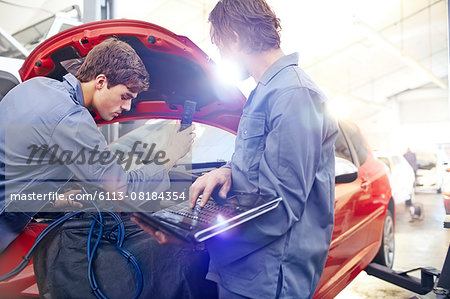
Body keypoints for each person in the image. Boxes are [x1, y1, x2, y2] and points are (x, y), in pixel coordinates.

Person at [133, 1, 338, 298]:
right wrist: (228, 170)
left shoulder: (294, 94)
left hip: (268, 277)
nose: (221, 54)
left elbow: (280, 205)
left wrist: (198, 238)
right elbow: (264, 164)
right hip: (244, 269)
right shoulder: (264, 91)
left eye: (219, 45)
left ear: (234, 36)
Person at [0, 38, 194, 253]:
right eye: (125, 96)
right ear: (100, 82)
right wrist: (171, 156)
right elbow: (123, 192)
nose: (128, 107)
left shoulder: (35, 86)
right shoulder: (71, 118)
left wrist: (52, 197)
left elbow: (16, 164)